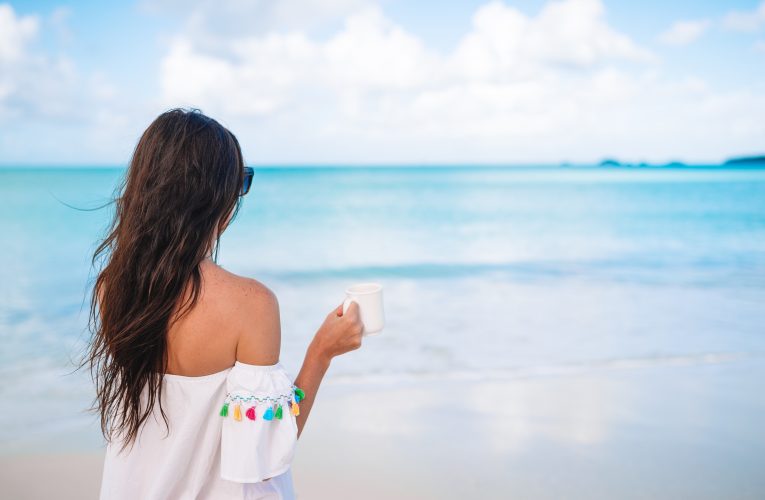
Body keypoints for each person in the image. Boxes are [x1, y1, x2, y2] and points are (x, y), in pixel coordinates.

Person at [83, 108, 364, 499]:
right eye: (239, 183)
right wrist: (322, 352)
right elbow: (266, 450)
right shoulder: (251, 304)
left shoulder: (111, 289)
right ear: (215, 199)